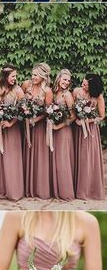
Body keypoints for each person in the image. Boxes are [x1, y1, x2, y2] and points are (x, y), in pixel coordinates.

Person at [0, 65, 24, 201]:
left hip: (12, 129)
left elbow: (23, 110)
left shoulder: (18, 90)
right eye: (12, 76)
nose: (15, 79)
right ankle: (0, 188)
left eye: (15, 76)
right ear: (5, 77)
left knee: (11, 158)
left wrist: (11, 122)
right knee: (0, 157)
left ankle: (13, 189)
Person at [22, 63, 52, 199]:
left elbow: (48, 112)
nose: (32, 77)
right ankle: (27, 188)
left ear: (42, 77)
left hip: (39, 128)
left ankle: (39, 187)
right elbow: (21, 104)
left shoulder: (47, 91)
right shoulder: (26, 86)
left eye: (35, 75)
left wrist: (36, 119)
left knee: (39, 156)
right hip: (27, 126)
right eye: (32, 74)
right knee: (27, 153)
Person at [73, 74, 105, 200]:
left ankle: (87, 189)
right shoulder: (76, 91)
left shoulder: (98, 97)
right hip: (76, 129)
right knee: (76, 156)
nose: (83, 85)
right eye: (83, 82)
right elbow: (72, 110)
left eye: (86, 85)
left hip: (90, 131)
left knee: (87, 158)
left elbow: (101, 116)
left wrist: (87, 121)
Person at [50, 69, 75, 201]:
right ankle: (56, 190)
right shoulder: (54, 93)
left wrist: (58, 126)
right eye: (64, 79)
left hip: (64, 131)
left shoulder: (67, 95)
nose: (66, 82)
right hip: (53, 131)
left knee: (63, 160)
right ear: (59, 78)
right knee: (55, 160)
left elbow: (72, 117)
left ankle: (66, 192)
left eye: (68, 80)